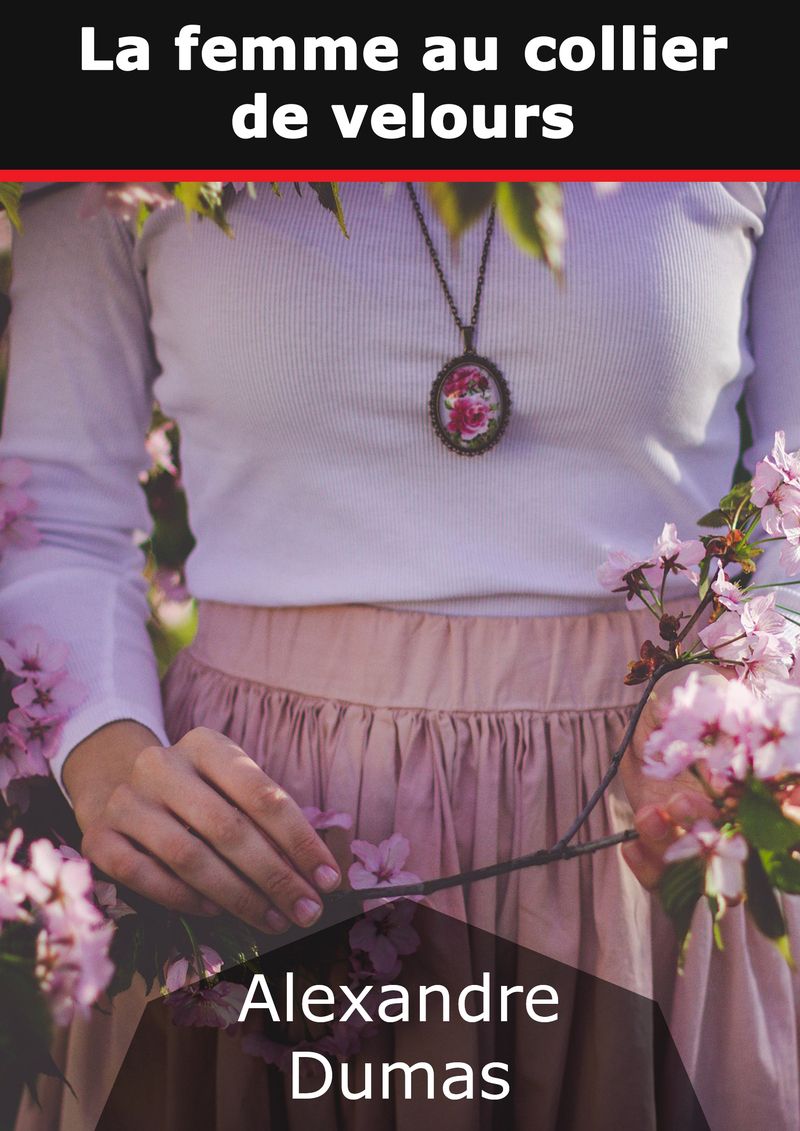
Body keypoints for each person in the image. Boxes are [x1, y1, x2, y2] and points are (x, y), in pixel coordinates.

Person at [2, 181, 799, 1131]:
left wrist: (745, 698)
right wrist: (107, 753)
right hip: (255, 846)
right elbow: (52, 508)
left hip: (642, 832)